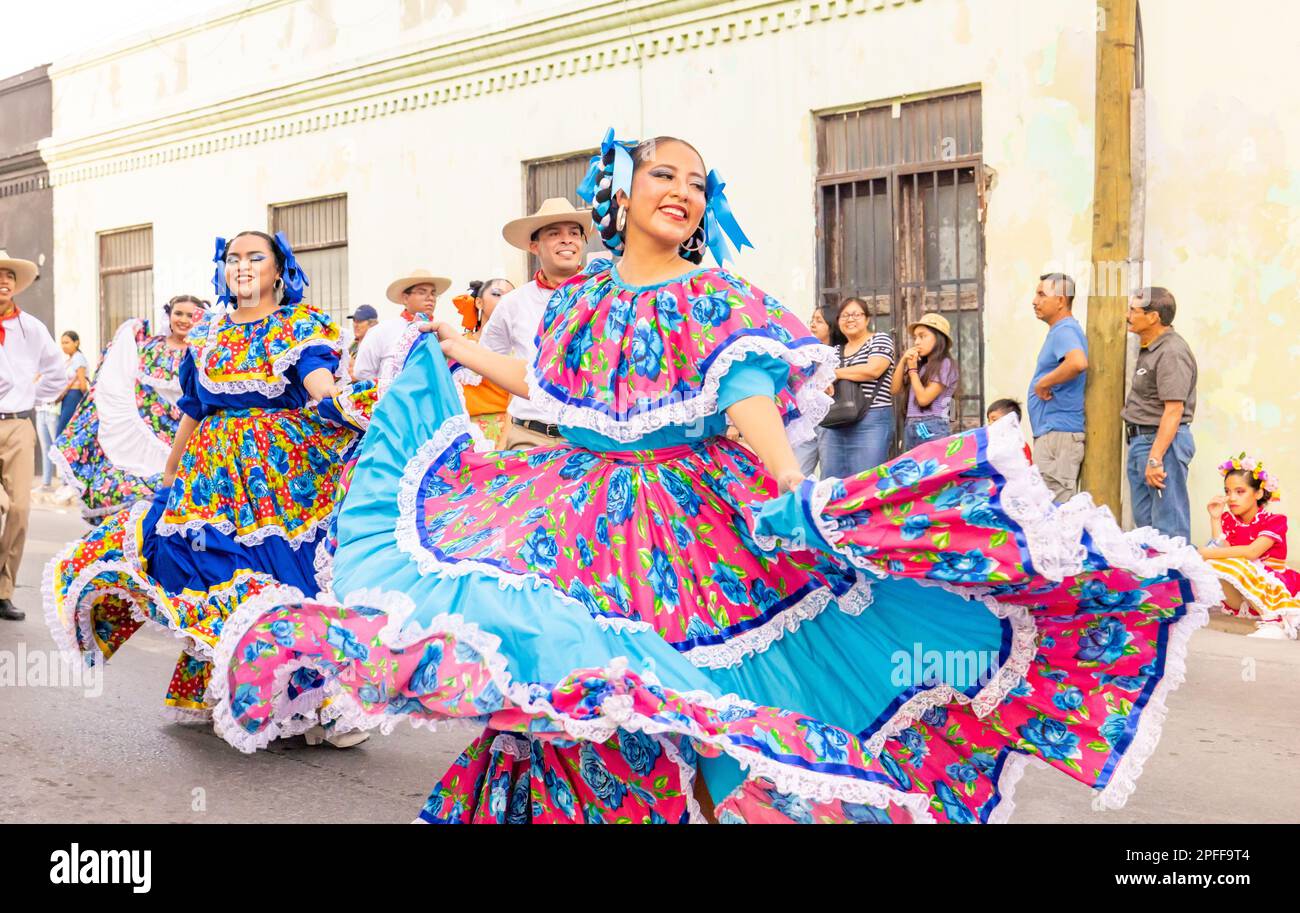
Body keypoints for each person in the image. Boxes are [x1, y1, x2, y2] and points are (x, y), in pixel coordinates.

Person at [209, 131, 1214, 825]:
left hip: (690, 527)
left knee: (690, 700)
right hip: (573, 510)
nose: (682, 190)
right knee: (568, 689)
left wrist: (793, 489)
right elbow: (552, 385)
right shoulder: (577, 301)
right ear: (627, 193)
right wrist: (460, 353)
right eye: (663, 174)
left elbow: (742, 397)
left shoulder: (719, 298)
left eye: (696, 180)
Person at [45, 232, 373, 742]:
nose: (241, 266)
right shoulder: (210, 335)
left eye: (254, 257)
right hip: (209, 479)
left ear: (279, 270)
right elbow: (194, 410)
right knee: (209, 570)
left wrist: (345, 399)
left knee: (283, 575)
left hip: (278, 480)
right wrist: (172, 474)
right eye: (232, 258)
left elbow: (317, 383)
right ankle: (229, 686)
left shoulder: (298, 327)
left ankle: (313, 704)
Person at [51, 297, 206, 521]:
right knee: (123, 490)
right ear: (169, 316)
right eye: (178, 313)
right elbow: (122, 375)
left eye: (191, 315)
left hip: (185, 434)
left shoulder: (201, 353)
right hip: (143, 431)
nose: (183, 320)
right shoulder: (149, 347)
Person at [479, 198, 593, 449]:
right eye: (555, 233)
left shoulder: (602, 295)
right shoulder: (512, 303)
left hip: (586, 440)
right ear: (534, 246)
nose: (567, 239)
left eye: (574, 233)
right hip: (528, 437)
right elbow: (486, 359)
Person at [0, 250, 68, 621]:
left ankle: (3, 590)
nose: (4, 282)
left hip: (17, 426)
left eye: (9, 276)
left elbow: (57, 374)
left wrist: (30, 399)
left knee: (20, 510)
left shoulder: (32, 329)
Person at [1122, 287, 1197, 543]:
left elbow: (1174, 410)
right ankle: (1155, 583)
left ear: (1153, 317)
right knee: (1147, 531)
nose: (1127, 315)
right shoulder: (1151, 347)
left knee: (1169, 530)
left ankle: (1175, 582)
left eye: (1133, 310)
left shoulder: (1171, 352)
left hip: (1162, 444)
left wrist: (1155, 458)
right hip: (1141, 441)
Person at [1199, 455, 1298, 640]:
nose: (1232, 498)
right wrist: (1215, 518)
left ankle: (1274, 622)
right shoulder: (1229, 519)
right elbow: (1223, 551)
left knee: (1218, 557)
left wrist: (1209, 553)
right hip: (1243, 595)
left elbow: (1252, 552)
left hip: (1271, 590)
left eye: (1240, 491)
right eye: (1228, 491)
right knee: (1214, 561)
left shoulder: (1275, 521)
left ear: (1258, 493)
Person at [1028, 273, 1089, 502]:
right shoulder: (1061, 331)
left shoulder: (1064, 329)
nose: (1035, 301)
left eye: (1042, 294)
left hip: (1058, 434)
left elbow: (1078, 362)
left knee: (1056, 512)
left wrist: (1043, 382)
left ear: (1061, 300)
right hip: (1053, 433)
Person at [818, 297, 895, 477]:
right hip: (836, 420)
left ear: (867, 319)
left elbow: (873, 369)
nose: (850, 319)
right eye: (844, 316)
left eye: (855, 314)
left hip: (872, 419)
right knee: (832, 479)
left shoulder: (879, 340)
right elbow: (821, 378)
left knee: (866, 479)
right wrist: (825, 380)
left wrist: (835, 373)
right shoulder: (835, 351)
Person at [353, 271, 451, 384]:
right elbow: (362, 373)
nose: (430, 298)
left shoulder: (440, 333)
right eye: (422, 292)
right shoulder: (383, 330)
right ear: (405, 298)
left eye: (433, 293)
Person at [452, 278, 515, 445]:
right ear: (479, 302)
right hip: (464, 434)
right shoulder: (458, 344)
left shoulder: (518, 349)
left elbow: (516, 402)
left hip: (507, 433)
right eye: (497, 294)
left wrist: (503, 444)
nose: (505, 301)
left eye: (511, 297)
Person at [892, 312, 958, 450]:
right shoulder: (921, 366)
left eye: (922, 336)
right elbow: (894, 389)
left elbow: (923, 399)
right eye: (915, 337)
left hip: (932, 424)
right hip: (911, 424)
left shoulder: (945, 364)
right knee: (913, 470)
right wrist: (903, 360)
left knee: (932, 469)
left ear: (939, 338)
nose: (916, 342)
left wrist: (912, 371)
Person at [792, 305, 832, 476]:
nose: (813, 325)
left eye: (819, 321)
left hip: (832, 423)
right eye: (812, 320)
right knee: (798, 473)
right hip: (805, 421)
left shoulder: (838, 354)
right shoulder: (804, 353)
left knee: (829, 474)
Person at [54, 330, 92, 435]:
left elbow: (83, 385)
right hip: (67, 397)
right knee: (64, 430)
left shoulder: (78, 358)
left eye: (67, 342)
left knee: (64, 431)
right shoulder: (69, 360)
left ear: (76, 343)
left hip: (74, 396)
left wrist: (87, 402)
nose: (64, 346)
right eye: (62, 343)